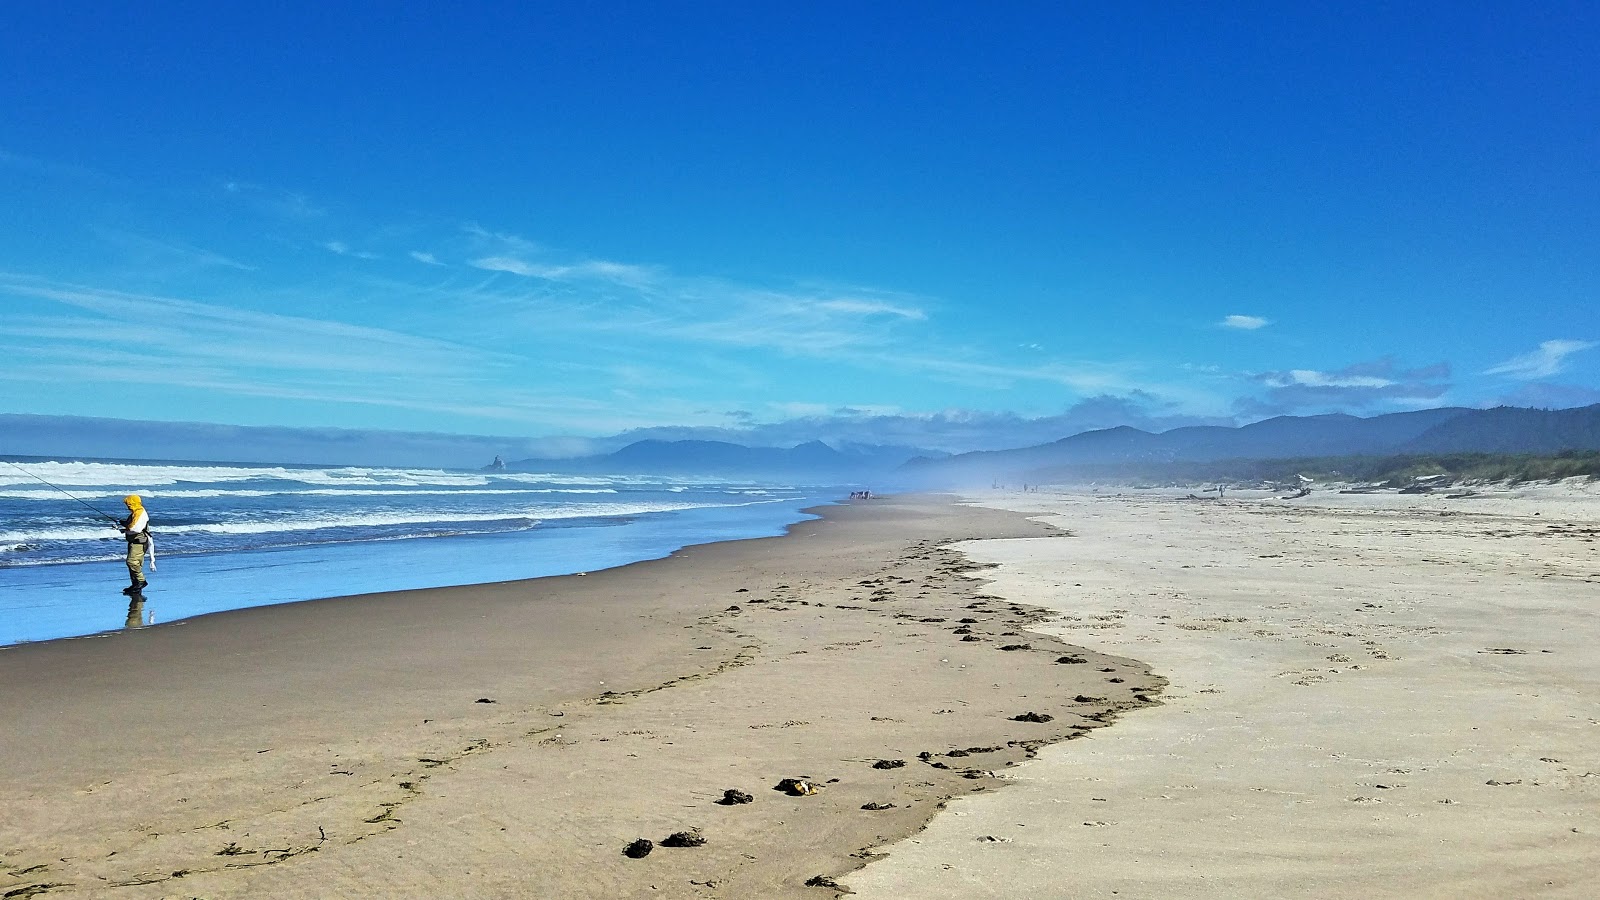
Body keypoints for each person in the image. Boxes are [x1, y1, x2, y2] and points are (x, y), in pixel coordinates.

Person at [118, 494, 151, 594]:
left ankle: (141, 581)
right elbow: (132, 524)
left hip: (139, 543)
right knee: (135, 564)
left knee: (132, 562)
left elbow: (135, 528)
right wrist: (123, 523)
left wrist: (125, 528)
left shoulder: (140, 513)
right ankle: (136, 585)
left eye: (129, 504)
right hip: (134, 542)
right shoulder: (135, 512)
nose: (128, 506)